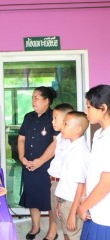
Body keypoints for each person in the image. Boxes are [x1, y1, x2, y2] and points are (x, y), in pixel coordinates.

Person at [18, 86, 58, 240]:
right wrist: (22, 158)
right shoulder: (28, 117)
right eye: (32, 98)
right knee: (32, 196)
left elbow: (56, 143)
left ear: (46, 100)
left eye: (36, 98)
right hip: (29, 164)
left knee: (50, 200)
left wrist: (40, 161)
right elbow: (21, 138)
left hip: (47, 166)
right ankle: (35, 227)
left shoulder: (54, 117)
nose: (33, 101)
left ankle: (52, 232)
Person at [77, 84, 110, 240]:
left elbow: (106, 183)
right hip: (94, 207)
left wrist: (83, 206)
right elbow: (93, 171)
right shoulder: (98, 134)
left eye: (89, 107)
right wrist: (85, 199)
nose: (86, 112)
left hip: (105, 215)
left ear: (103, 108)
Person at [55, 111, 90, 240]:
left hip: (72, 204)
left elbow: (81, 185)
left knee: (74, 236)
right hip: (65, 201)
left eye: (66, 124)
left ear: (78, 129)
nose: (62, 127)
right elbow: (66, 179)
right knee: (67, 235)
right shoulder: (70, 146)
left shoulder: (80, 152)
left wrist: (72, 213)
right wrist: (60, 202)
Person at [48, 103, 74, 240]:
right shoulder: (59, 138)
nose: (52, 121)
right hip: (55, 185)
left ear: (66, 121)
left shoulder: (71, 142)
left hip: (63, 186)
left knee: (67, 227)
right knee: (60, 221)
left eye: (55, 118)